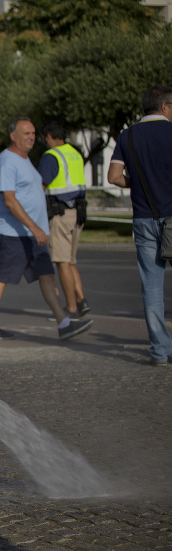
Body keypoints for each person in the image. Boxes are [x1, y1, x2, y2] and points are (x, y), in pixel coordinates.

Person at [0, 117, 93, 341]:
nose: (31, 137)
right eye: (26, 133)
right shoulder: (7, 161)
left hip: (36, 234)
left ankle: (64, 324)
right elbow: (10, 200)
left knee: (47, 276)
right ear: (13, 136)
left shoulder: (26, 160)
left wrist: (38, 229)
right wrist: (34, 227)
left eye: (33, 133)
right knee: (2, 277)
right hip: (14, 233)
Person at [107, 85, 172, 366]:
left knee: (152, 287)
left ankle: (159, 350)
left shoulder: (127, 136)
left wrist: (138, 185)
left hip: (144, 219)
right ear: (165, 106)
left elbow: (113, 176)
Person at [38, 121, 91, 318]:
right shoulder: (74, 153)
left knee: (62, 262)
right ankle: (81, 300)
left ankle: (70, 308)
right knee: (70, 261)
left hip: (60, 213)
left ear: (49, 137)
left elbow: (41, 185)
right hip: (78, 212)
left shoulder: (51, 156)